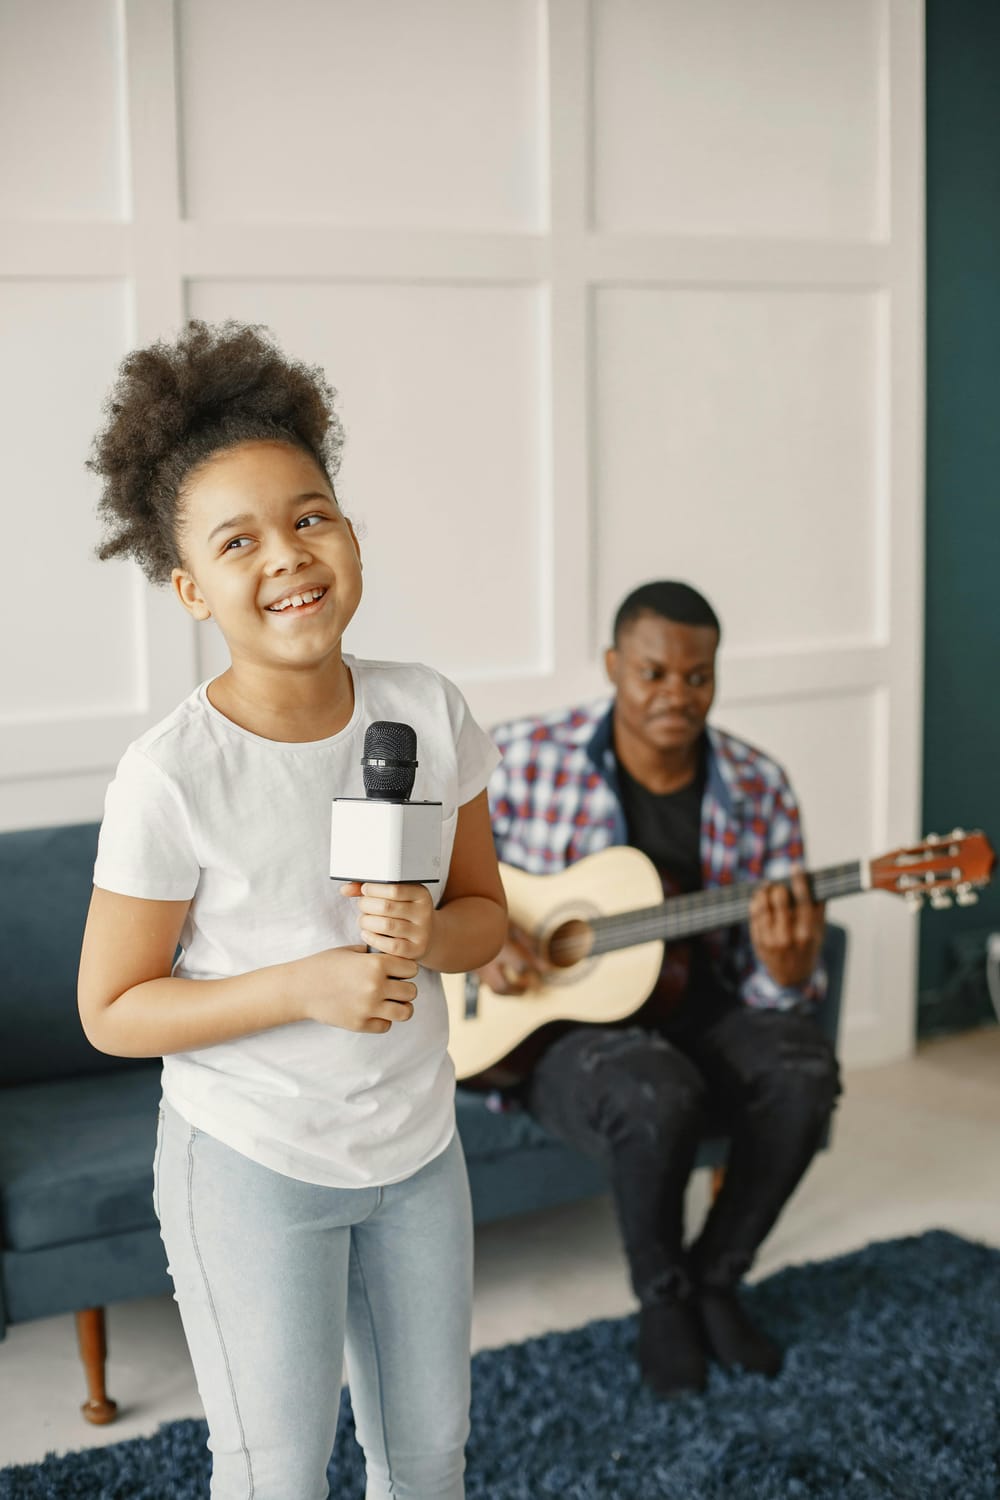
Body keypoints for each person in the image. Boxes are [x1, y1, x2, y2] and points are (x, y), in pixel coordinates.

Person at [77, 320, 507, 1500]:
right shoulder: (170, 775)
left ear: (350, 531)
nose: (288, 556)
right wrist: (305, 986)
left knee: (427, 1464)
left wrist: (427, 938)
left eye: (310, 516)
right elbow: (113, 1009)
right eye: (239, 540)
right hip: (251, 1161)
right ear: (189, 588)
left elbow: (485, 918)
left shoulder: (428, 712)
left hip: (418, 1148)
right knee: (278, 1478)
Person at [479, 580, 840, 1398]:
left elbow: (777, 985)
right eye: (653, 674)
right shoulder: (522, 757)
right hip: (552, 1029)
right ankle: (665, 1299)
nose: (677, 695)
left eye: (697, 676)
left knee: (804, 1071)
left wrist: (788, 972)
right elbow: (425, 872)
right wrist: (483, 933)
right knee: (653, 1089)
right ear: (614, 665)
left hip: (699, 1004)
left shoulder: (758, 785)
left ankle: (716, 1276)